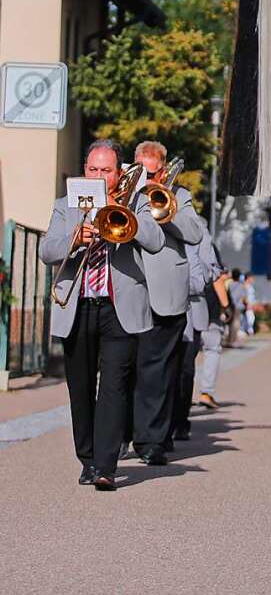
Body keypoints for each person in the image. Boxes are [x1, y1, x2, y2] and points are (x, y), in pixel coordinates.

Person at [39, 140, 164, 490]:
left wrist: (123, 211)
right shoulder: (64, 206)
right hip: (77, 305)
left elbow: (155, 242)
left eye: (105, 170)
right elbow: (45, 250)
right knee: (79, 388)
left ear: (118, 174)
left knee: (114, 385)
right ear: (84, 171)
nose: (98, 175)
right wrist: (74, 239)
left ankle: (107, 466)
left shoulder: (134, 201)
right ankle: (88, 459)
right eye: (92, 169)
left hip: (117, 307)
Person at [130, 140, 203, 466]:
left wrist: (164, 212)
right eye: (141, 171)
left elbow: (194, 233)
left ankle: (153, 440)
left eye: (153, 172)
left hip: (166, 293)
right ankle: (122, 433)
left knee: (159, 371)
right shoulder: (126, 193)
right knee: (126, 368)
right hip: (130, 287)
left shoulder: (180, 196)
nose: (147, 178)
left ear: (162, 169)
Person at [172, 220, 218, 440]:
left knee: (185, 368)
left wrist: (195, 269)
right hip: (163, 304)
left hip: (194, 307)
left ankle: (181, 420)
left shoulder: (199, 227)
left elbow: (212, 270)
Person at [196, 245, 231, 409]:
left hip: (187, 307)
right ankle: (206, 393)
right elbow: (216, 277)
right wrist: (226, 305)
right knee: (212, 350)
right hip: (210, 311)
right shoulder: (208, 246)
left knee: (185, 356)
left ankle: (182, 396)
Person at [226, 269, 246, 346]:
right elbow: (243, 297)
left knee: (230, 323)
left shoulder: (230, 285)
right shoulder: (241, 286)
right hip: (238, 306)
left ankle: (229, 339)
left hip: (231, 305)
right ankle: (233, 340)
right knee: (236, 323)